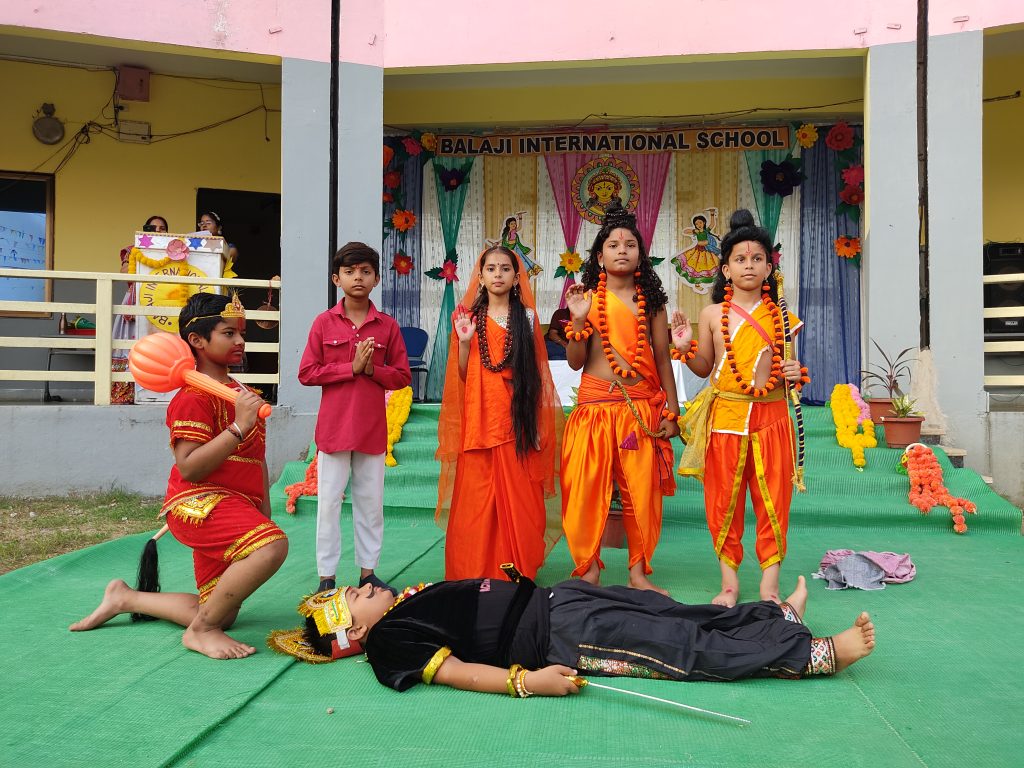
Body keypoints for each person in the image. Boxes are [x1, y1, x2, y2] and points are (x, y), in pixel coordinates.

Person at [70, 292, 288, 659]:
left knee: (222, 612)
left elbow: (257, 457)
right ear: (197, 340)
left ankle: (126, 598)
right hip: (201, 504)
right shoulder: (192, 398)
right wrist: (238, 426)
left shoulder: (242, 393)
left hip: (237, 506)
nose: (240, 341)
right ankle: (200, 632)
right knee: (272, 546)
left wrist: (262, 510)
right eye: (228, 333)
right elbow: (189, 466)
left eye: (241, 333)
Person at [268, 575, 877, 695]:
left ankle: (774, 618)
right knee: (674, 648)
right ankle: (813, 655)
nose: (365, 586)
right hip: (561, 636)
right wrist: (525, 682)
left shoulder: (403, 601)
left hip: (560, 598)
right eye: (356, 597)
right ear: (354, 630)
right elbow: (457, 671)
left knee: (676, 614)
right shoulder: (389, 643)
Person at [672, 209, 808, 607]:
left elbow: (789, 373)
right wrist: (685, 346)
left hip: (772, 420)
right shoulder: (712, 314)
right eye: (740, 259)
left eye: (757, 258)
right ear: (726, 269)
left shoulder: (783, 317)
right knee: (722, 502)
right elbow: (704, 367)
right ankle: (729, 583)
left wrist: (795, 372)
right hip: (726, 419)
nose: (749, 265)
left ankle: (770, 584)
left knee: (774, 501)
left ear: (769, 268)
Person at [560, 200, 679, 595]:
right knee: (585, 491)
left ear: (641, 255)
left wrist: (673, 410)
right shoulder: (587, 300)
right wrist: (578, 319)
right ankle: (588, 570)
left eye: (630, 244)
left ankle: (638, 574)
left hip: (640, 411)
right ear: (600, 256)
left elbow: (662, 358)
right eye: (613, 245)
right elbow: (576, 362)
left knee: (641, 495)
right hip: (594, 409)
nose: (622, 250)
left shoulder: (653, 304)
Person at [436, 245, 562, 581]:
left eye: (505, 269)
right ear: (480, 277)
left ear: (516, 277)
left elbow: (535, 375)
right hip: (480, 419)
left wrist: (536, 423)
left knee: (520, 498)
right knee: (478, 499)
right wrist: (465, 341)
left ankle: (515, 568)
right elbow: (464, 376)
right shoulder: (469, 319)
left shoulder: (528, 318)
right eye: (490, 269)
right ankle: (474, 570)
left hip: (516, 419)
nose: (497, 275)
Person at [299, 242, 411, 595]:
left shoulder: (388, 326)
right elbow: (307, 373)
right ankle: (326, 576)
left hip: (371, 429)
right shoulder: (323, 322)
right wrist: (351, 368)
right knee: (328, 503)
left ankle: (368, 573)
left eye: (365, 271)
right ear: (337, 279)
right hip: (334, 429)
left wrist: (372, 369)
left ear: (376, 278)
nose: (357, 277)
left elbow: (402, 376)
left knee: (370, 503)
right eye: (349, 272)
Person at [112, 215, 169, 404]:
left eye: (162, 228)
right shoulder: (133, 249)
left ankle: (156, 391)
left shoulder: (173, 252)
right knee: (131, 346)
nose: (158, 231)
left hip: (160, 303)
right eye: (154, 227)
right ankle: (125, 393)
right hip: (135, 302)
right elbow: (124, 272)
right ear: (146, 230)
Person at [671, 208, 721, 292]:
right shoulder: (697, 232)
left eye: (700, 222)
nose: (699, 225)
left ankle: (716, 283)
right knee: (696, 267)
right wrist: (694, 230)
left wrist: (712, 214)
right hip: (698, 251)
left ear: (704, 223)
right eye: (696, 224)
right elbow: (685, 231)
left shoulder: (706, 231)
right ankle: (697, 284)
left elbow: (712, 224)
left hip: (707, 251)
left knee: (711, 266)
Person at [197, 211, 239, 278]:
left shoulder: (230, 248)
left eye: (208, 223)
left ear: (219, 228)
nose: (204, 225)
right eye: (201, 224)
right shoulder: (196, 246)